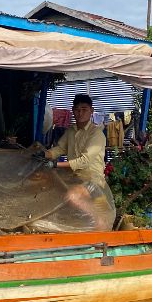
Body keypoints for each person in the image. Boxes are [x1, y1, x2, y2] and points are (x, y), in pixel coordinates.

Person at [40, 93, 114, 229]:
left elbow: (84, 161)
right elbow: (60, 148)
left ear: (91, 111)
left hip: (93, 181)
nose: (80, 113)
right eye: (77, 110)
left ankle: (100, 223)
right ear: (73, 110)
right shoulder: (71, 131)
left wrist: (56, 164)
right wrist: (45, 154)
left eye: (84, 109)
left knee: (72, 196)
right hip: (74, 177)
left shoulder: (96, 134)